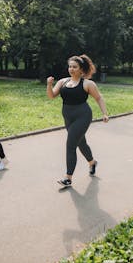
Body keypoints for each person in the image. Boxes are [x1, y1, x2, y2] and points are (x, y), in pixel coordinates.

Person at [47, 54, 109, 187]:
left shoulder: (87, 83)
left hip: (83, 116)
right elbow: (51, 96)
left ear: (81, 69)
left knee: (70, 144)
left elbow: (99, 98)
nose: (71, 69)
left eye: (74, 67)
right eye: (70, 66)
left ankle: (68, 177)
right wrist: (49, 84)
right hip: (68, 117)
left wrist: (105, 113)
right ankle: (92, 162)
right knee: (81, 143)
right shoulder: (63, 82)